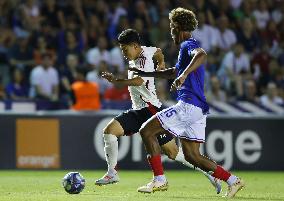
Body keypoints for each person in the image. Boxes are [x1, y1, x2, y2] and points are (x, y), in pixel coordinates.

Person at [131, 8, 244, 197]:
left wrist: (184, 75)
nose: (170, 31)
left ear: (177, 27)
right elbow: (172, 72)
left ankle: (159, 179)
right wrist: (146, 74)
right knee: (193, 156)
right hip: (198, 108)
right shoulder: (184, 49)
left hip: (189, 105)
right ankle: (233, 181)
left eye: (171, 27)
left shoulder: (188, 45)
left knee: (146, 131)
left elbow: (202, 54)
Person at [95, 29, 221, 194]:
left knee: (173, 153)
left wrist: (118, 81)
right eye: (121, 50)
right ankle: (112, 173)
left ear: (134, 46)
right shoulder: (146, 50)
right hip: (138, 110)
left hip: (151, 110)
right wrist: (161, 63)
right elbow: (159, 51)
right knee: (109, 131)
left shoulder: (143, 60)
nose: (124, 54)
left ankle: (209, 173)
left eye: (125, 49)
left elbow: (140, 80)